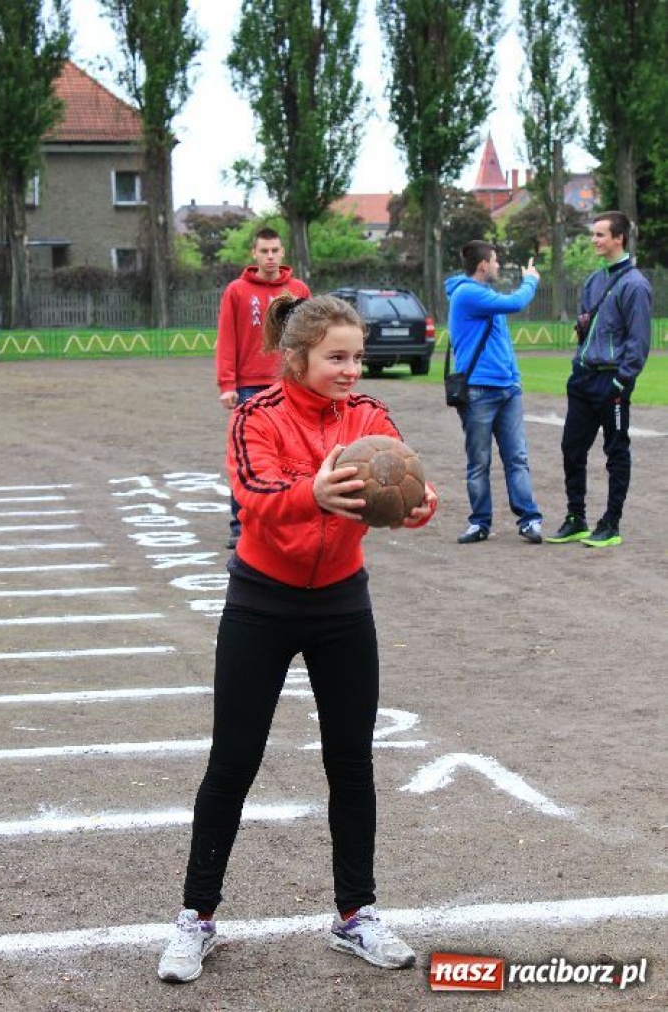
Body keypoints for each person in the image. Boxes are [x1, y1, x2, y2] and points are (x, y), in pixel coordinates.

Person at [158, 293, 438, 984]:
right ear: (298, 357)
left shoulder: (370, 416)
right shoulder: (259, 415)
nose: (351, 369)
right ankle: (196, 918)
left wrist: (415, 506)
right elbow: (253, 492)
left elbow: (400, 488)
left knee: (351, 761)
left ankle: (355, 916)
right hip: (261, 602)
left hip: (342, 605)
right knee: (233, 761)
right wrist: (309, 493)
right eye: (335, 358)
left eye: (355, 356)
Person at [546, 211, 652, 548]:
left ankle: (611, 522)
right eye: (593, 234)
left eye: (600, 235)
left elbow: (639, 340)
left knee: (616, 451)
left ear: (619, 238)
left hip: (612, 382)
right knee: (571, 448)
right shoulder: (594, 280)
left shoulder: (635, 284)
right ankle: (576, 517)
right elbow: (587, 329)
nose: (594, 240)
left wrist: (623, 380)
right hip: (583, 378)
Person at [216, 226, 311, 549]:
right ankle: (240, 523)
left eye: (275, 251)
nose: (270, 257)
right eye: (263, 251)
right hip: (248, 387)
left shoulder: (298, 289)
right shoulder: (237, 291)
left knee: (293, 452)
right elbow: (227, 338)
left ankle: (289, 520)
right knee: (248, 455)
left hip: (290, 382)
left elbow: (311, 336)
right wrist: (227, 384)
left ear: (283, 253)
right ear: (254, 254)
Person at [444, 240, 543, 545]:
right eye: (496, 261)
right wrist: (531, 280)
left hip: (507, 390)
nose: (499, 266)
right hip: (479, 392)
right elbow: (517, 303)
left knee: (517, 458)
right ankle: (480, 522)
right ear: (483, 265)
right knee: (480, 461)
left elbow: (501, 344)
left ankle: (529, 520)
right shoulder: (467, 293)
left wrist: (514, 379)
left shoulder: (485, 295)